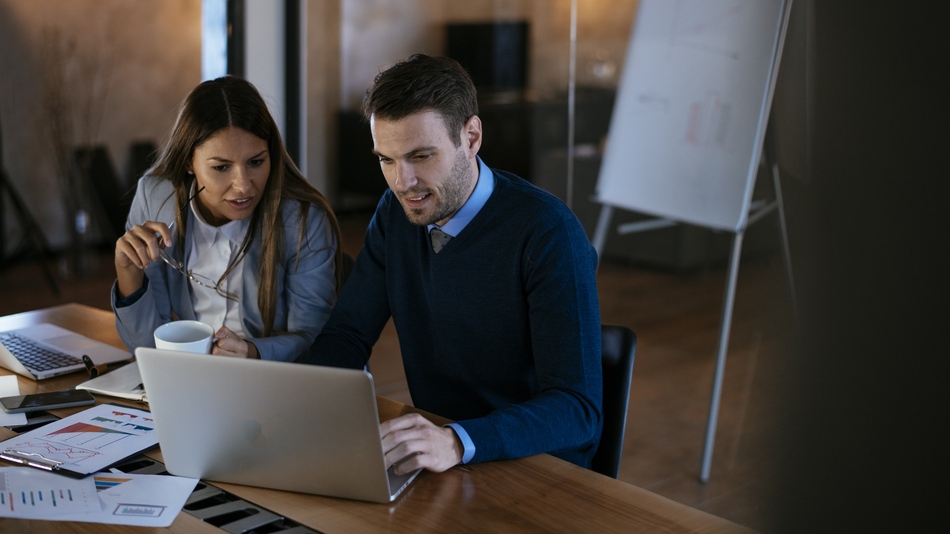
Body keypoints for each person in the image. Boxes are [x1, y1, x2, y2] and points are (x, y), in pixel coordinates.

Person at [300, 54, 602, 474]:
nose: (402, 183)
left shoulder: (549, 233)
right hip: (441, 459)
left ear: (472, 136)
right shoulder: (395, 213)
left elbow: (577, 409)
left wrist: (457, 442)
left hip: (534, 467)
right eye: (387, 160)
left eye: (421, 156)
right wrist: (298, 406)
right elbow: (349, 332)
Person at [112, 75, 344, 361]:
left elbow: (315, 340)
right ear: (188, 162)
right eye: (222, 167)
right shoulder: (156, 200)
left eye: (256, 162)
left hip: (276, 384)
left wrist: (253, 352)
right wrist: (128, 275)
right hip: (193, 384)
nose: (244, 185)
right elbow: (146, 349)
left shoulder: (303, 221)